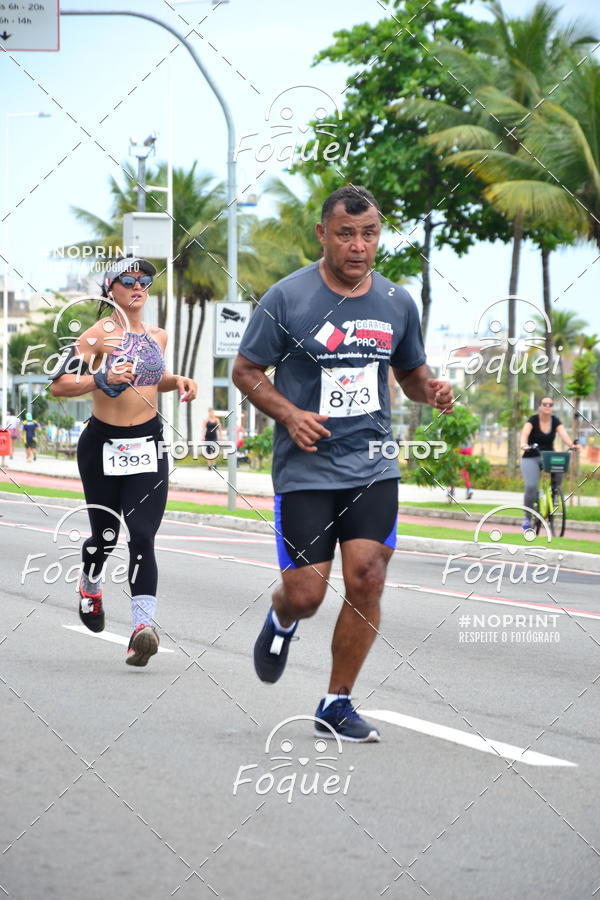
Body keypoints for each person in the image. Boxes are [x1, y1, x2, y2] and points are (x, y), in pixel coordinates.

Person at [232, 186, 454, 743]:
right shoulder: (286, 299)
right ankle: (282, 617)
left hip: (373, 462)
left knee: (368, 578)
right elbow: (246, 369)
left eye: (369, 234)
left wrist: (433, 391)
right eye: (346, 234)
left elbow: (409, 374)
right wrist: (288, 413)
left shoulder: (398, 302)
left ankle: (336, 701)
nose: (358, 246)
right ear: (323, 235)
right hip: (306, 467)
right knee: (307, 594)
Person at [51, 256, 197, 666]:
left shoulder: (158, 336)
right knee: (106, 537)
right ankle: (91, 583)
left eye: (145, 280)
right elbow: (59, 385)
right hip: (102, 447)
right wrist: (102, 378)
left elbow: (153, 379)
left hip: (148, 444)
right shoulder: (96, 337)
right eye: (128, 280)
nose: (139, 286)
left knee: (144, 535)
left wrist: (178, 381)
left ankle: (141, 629)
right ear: (110, 289)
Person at [519, 397, 580, 530]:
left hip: (548, 457)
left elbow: (564, 435)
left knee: (560, 468)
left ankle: (554, 495)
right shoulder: (532, 420)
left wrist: (572, 445)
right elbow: (524, 433)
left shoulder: (555, 421)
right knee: (531, 486)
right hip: (531, 456)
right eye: (545, 404)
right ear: (540, 406)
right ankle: (527, 518)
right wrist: (523, 445)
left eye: (550, 404)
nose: (548, 406)